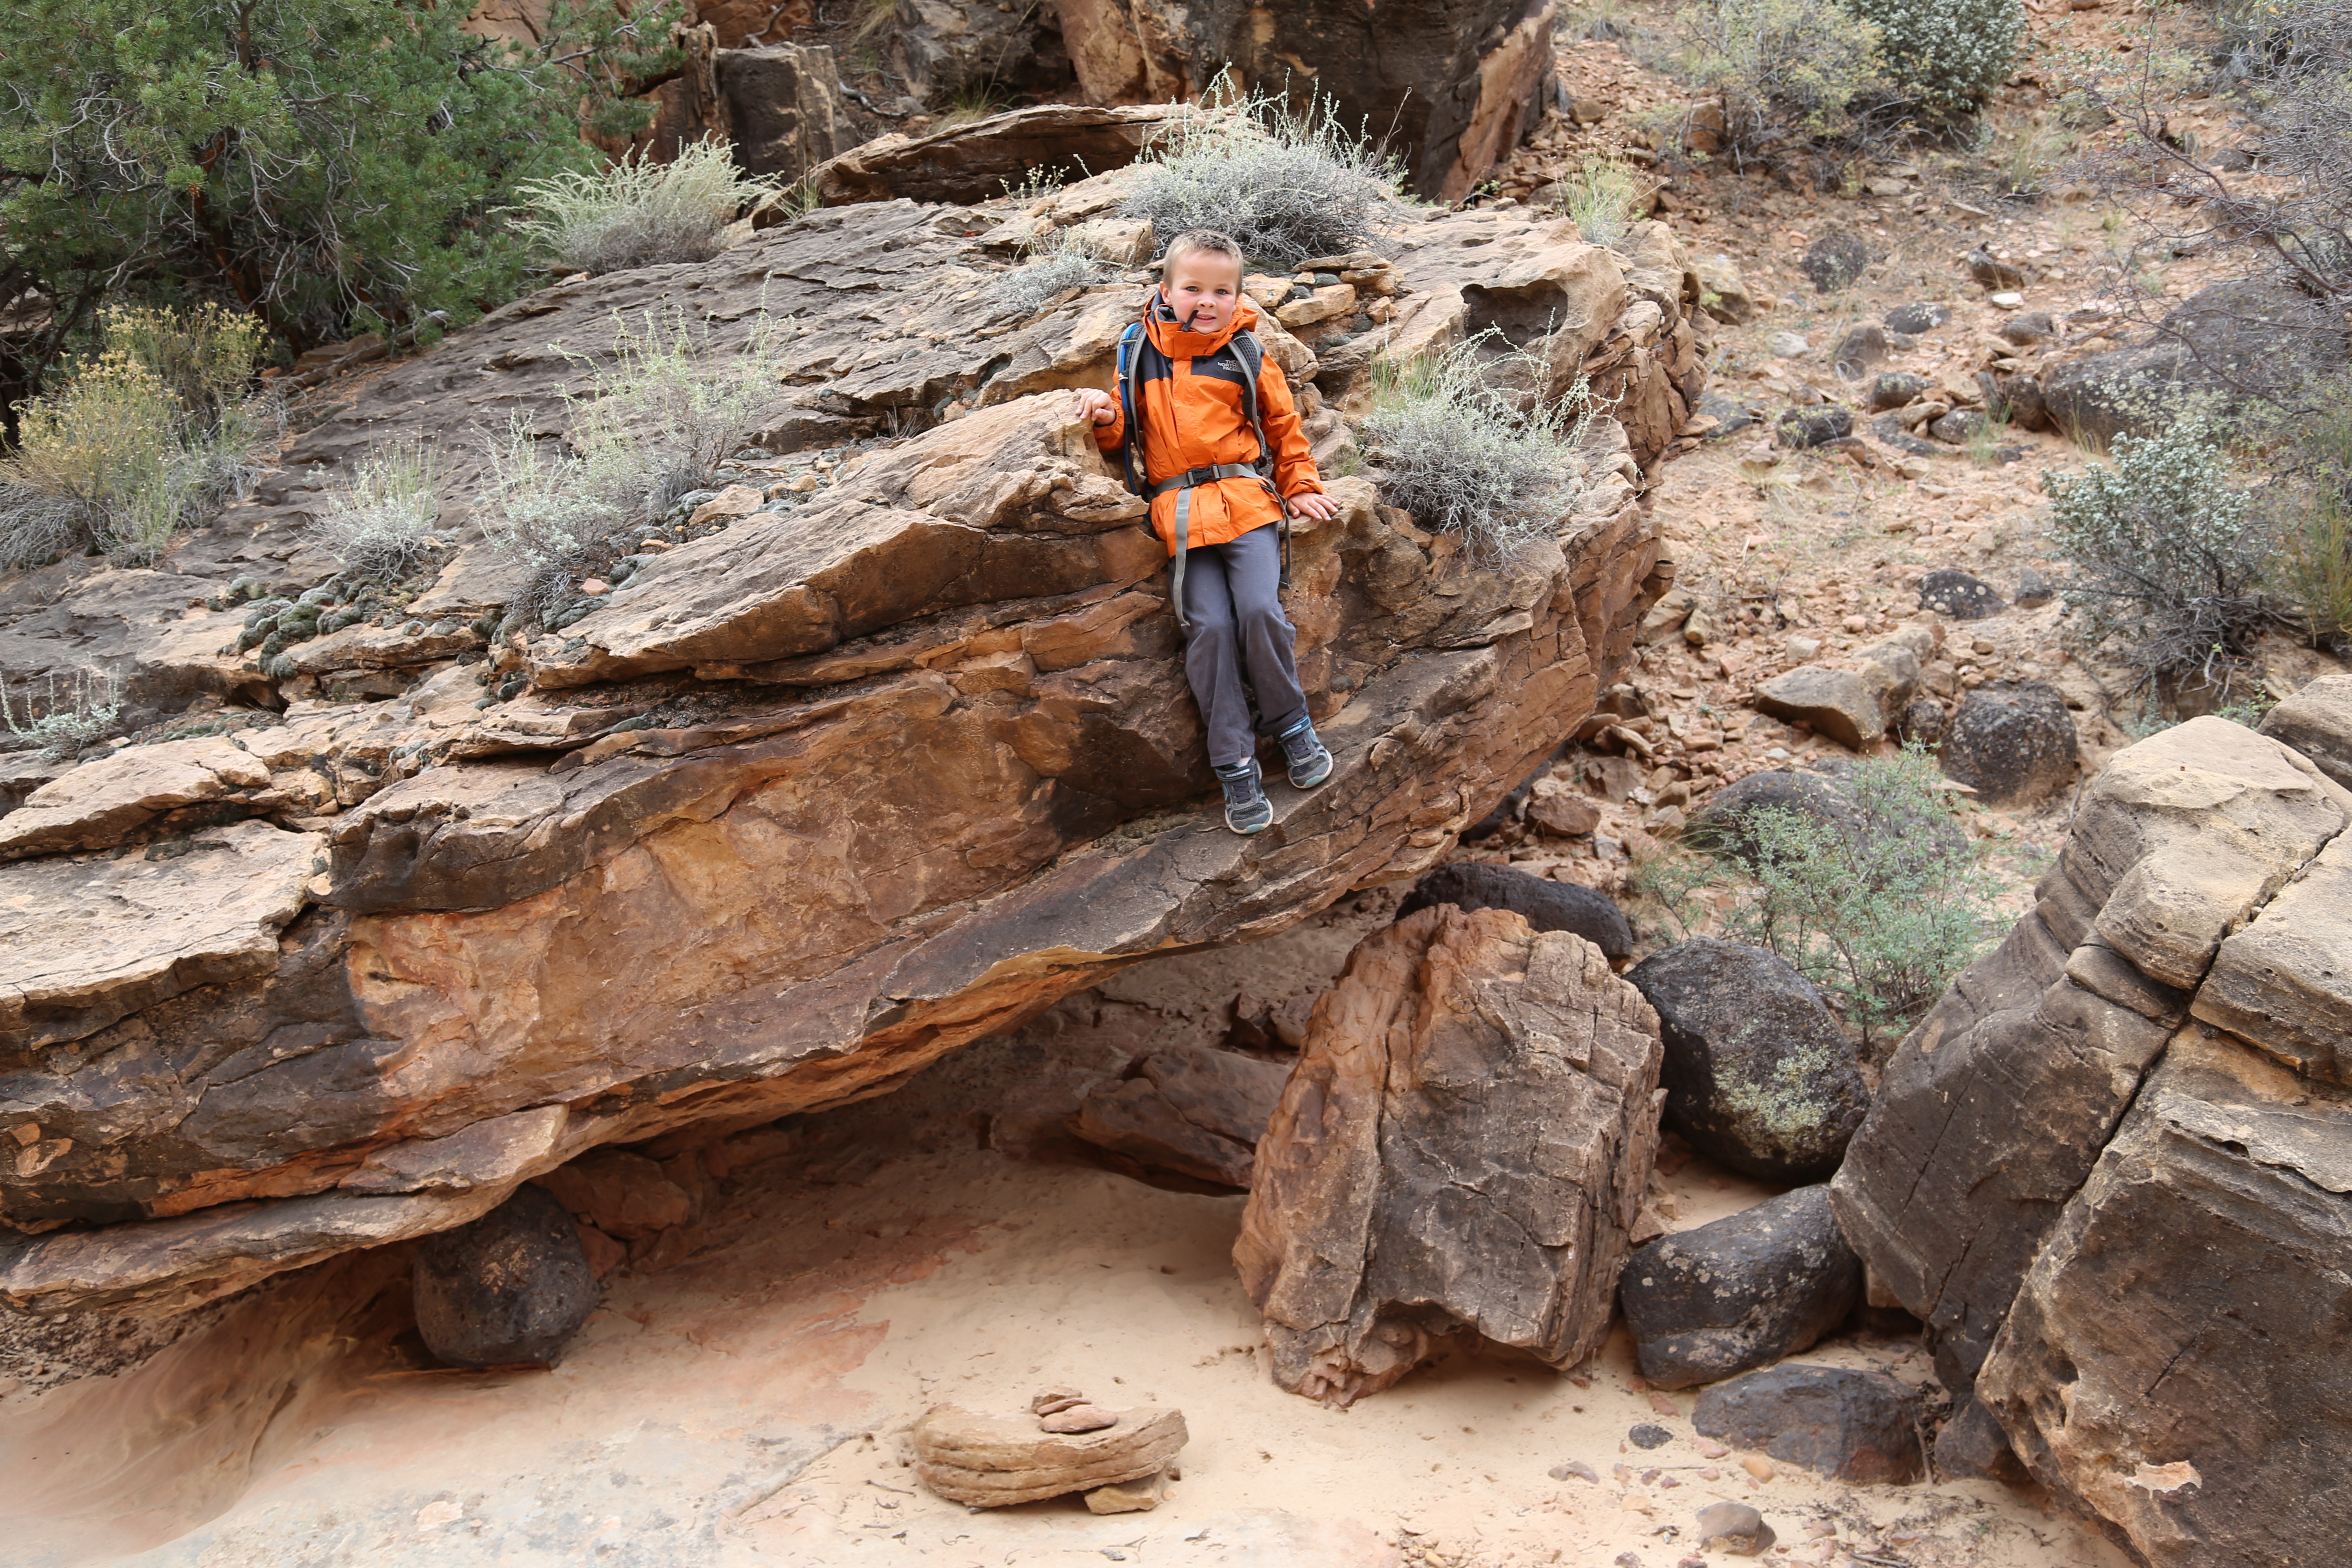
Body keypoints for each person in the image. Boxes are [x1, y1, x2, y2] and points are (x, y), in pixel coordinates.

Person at [1074, 229, 1341, 835]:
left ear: (1237, 296)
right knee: (1210, 629)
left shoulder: (1246, 354)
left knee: (1260, 612)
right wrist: (1106, 415)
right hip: (1180, 517)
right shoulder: (1139, 353)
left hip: (1246, 503)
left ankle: (1293, 726)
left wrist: (1301, 486)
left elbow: (1284, 428)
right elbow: (1122, 435)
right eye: (1193, 288)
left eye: (1221, 291)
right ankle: (1235, 763)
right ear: (1166, 291)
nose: (1207, 301)